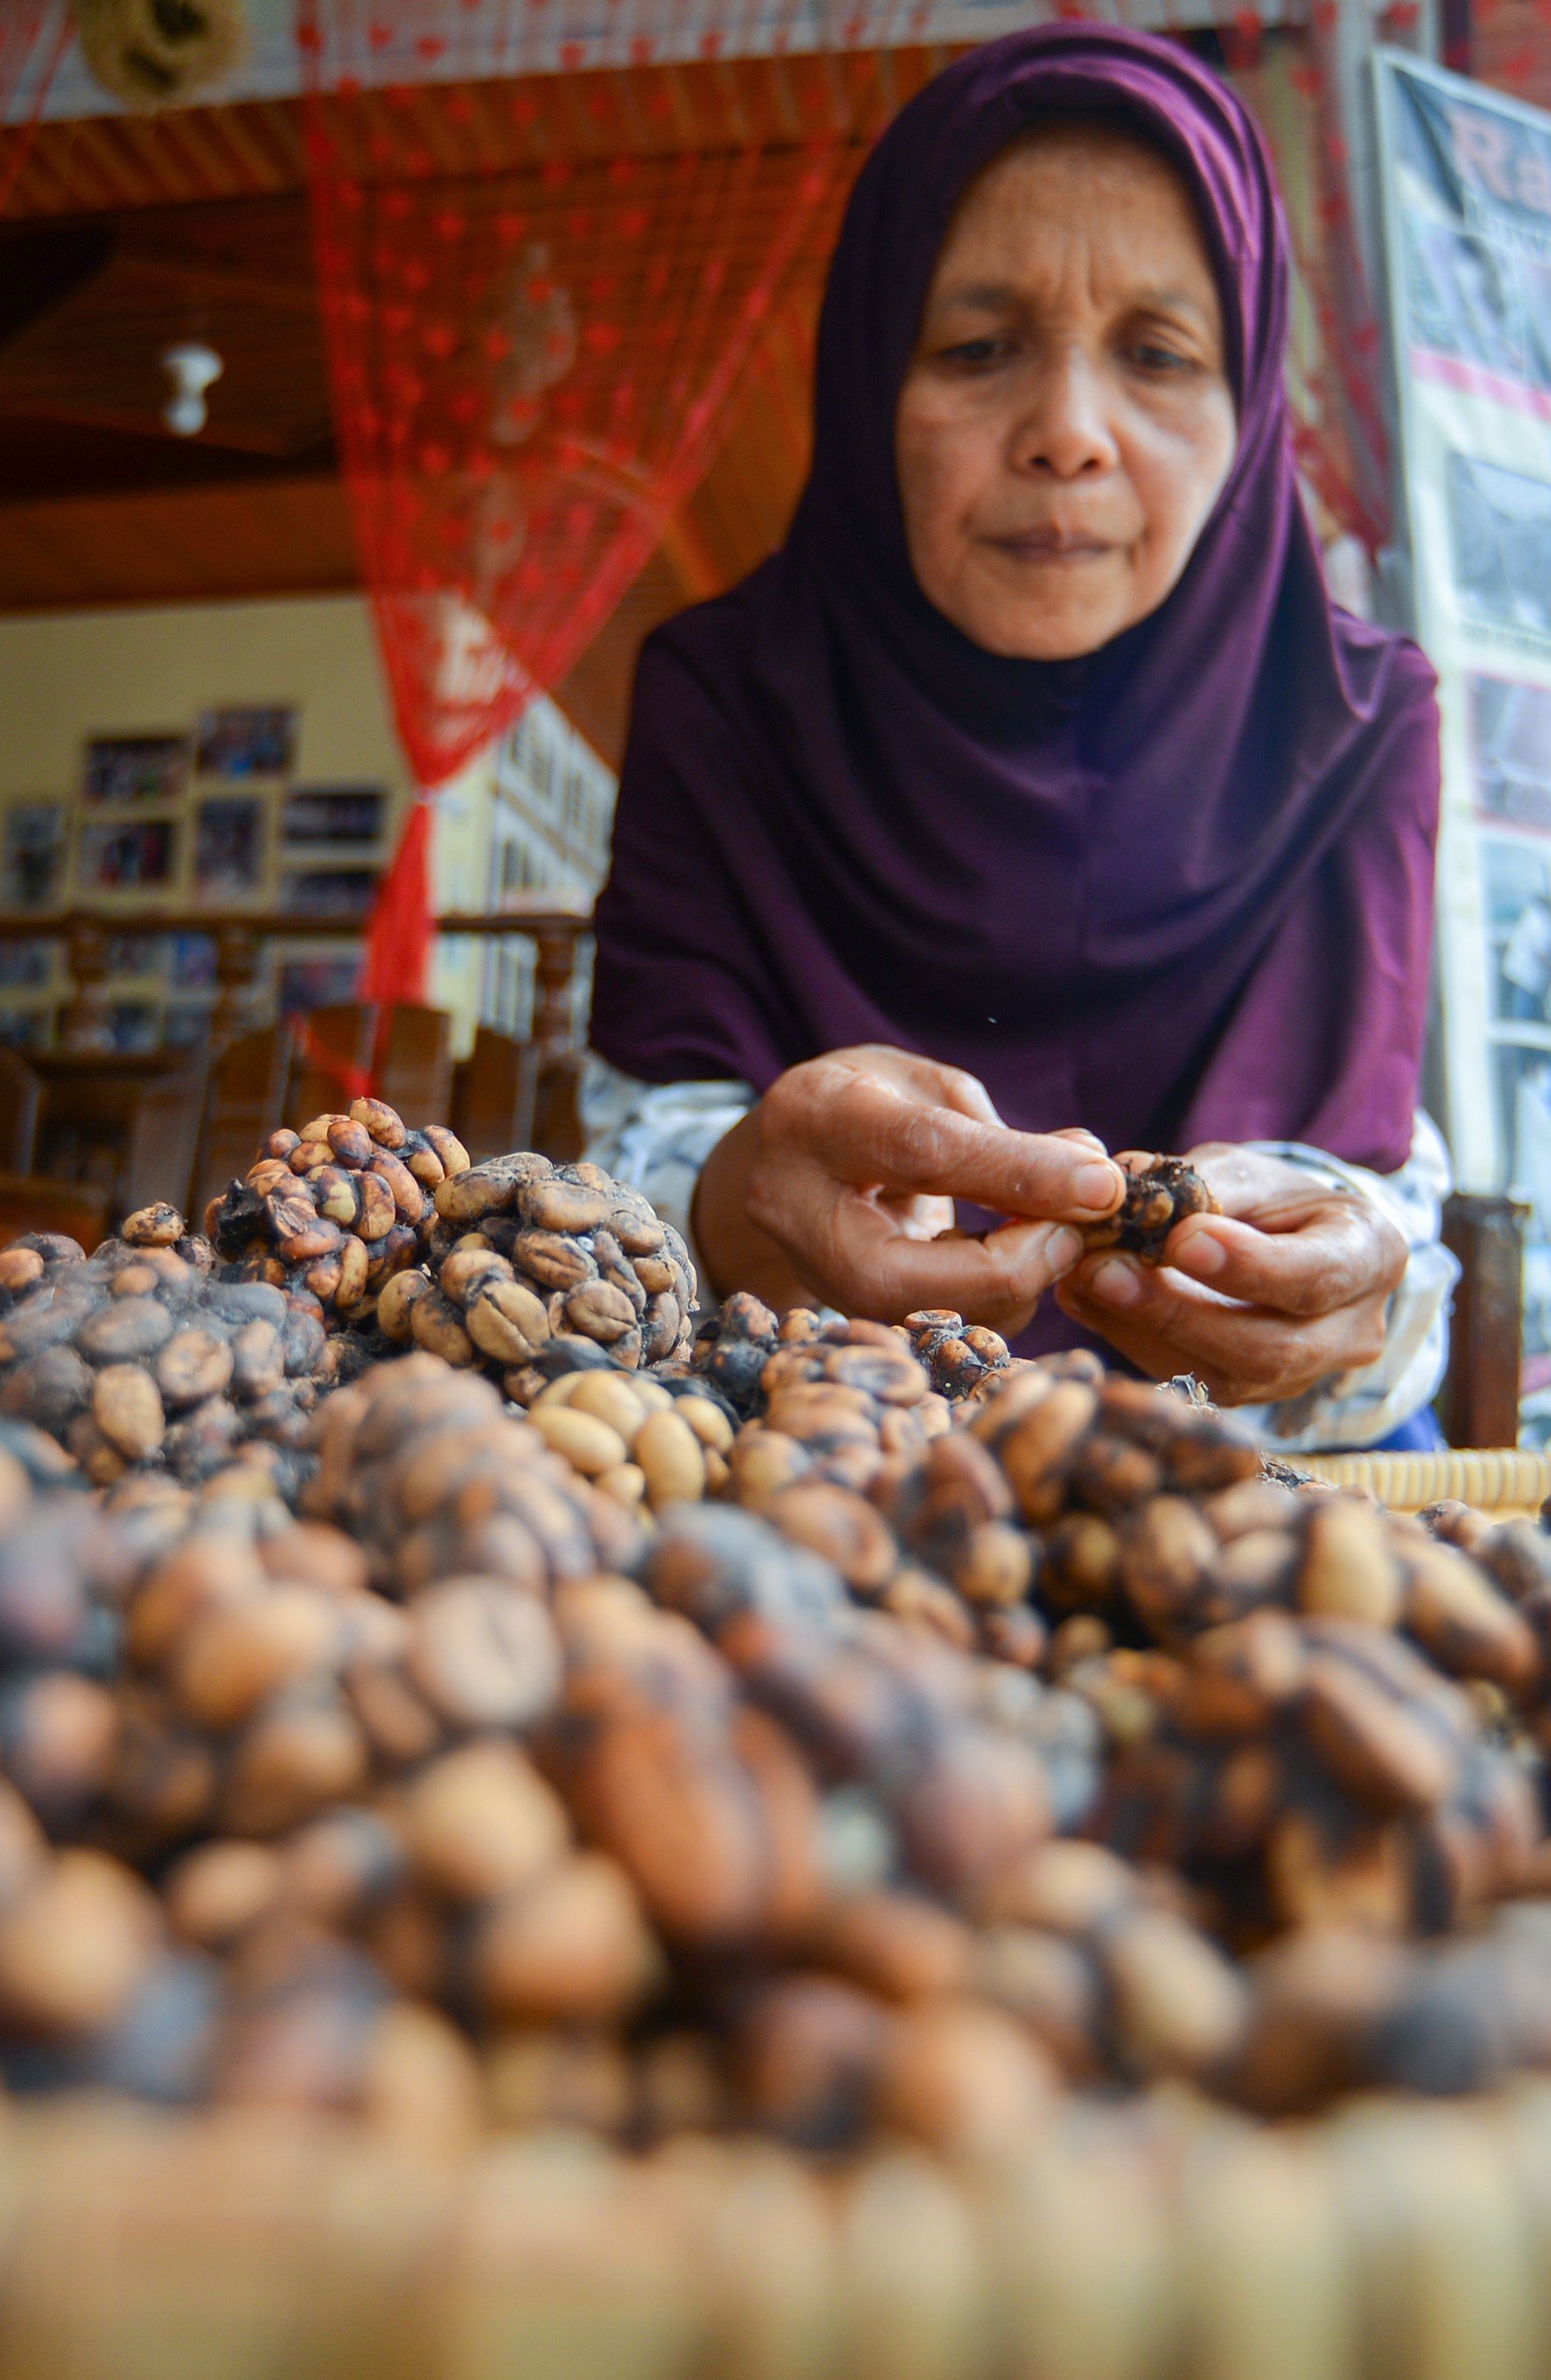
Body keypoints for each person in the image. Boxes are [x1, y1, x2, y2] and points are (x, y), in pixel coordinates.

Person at [584, 23, 1455, 1452]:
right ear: (871, 381)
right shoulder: (723, 697)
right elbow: (628, 1196)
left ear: (1248, 407)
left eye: (1160, 353)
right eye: (978, 348)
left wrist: (1341, 1302)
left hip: (1263, 1469)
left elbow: (1379, 1209)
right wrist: (735, 1209)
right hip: (799, 1447)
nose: (1067, 432)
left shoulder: (1357, 724)